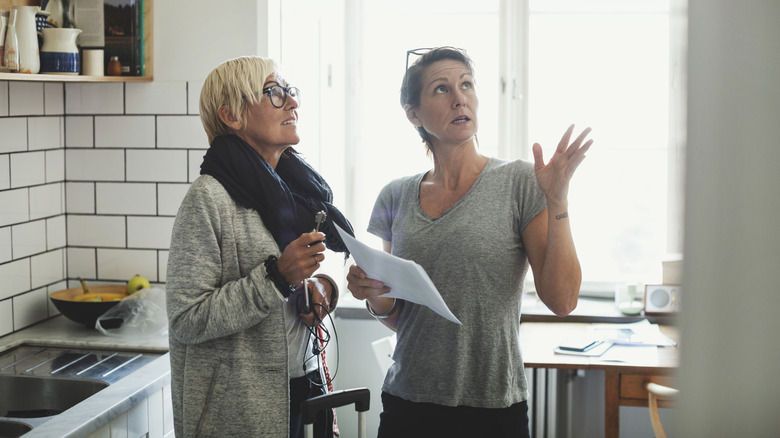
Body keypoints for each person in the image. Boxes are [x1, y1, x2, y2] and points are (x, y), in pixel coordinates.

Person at [346, 47, 593, 437]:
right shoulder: (395, 196)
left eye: (466, 84)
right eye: (442, 89)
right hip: (408, 404)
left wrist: (557, 199)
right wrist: (373, 294)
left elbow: (562, 300)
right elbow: (400, 316)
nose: (460, 97)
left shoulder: (520, 183)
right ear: (414, 114)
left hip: (493, 407)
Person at [166, 55, 353, 438]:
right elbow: (187, 319)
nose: (292, 102)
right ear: (232, 116)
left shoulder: (293, 193)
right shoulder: (208, 200)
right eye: (274, 93)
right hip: (239, 413)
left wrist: (320, 287)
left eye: (291, 91)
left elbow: (295, 270)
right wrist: (276, 278)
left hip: (302, 387)